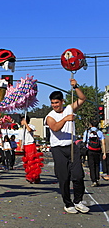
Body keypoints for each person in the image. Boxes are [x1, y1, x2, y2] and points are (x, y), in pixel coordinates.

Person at [44, 78, 89, 214]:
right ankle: (67, 203)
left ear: (62, 101)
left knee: (78, 175)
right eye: (52, 103)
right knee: (63, 178)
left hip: (71, 146)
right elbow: (56, 128)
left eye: (57, 103)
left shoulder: (69, 108)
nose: (55, 105)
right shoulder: (49, 116)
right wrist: (65, 119)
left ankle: (78, 201)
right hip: (58, 149)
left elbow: (82, 98)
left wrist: (76, 86)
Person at [82, 119, 106, 187]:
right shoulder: (100, 132)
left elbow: (84, 141)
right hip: (97, 150)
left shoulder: (87, 132)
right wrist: (104, 152)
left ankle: (93, 180)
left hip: (90, 150)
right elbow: (103, 143)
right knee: (97, 164)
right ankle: (97, 178)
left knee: (91, 165)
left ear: (91, 124)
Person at [20, 115, 43, 184]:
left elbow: (30, 130)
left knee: (32, 161)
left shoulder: (30, 126)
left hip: (30, 145)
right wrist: (21, 146)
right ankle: (30, 176)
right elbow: (21, 139)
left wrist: (26, 124)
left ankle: (35, 177)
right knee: (27, 162)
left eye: (22, 120)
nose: (21, 122)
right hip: (25, 146)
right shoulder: (21, 130)